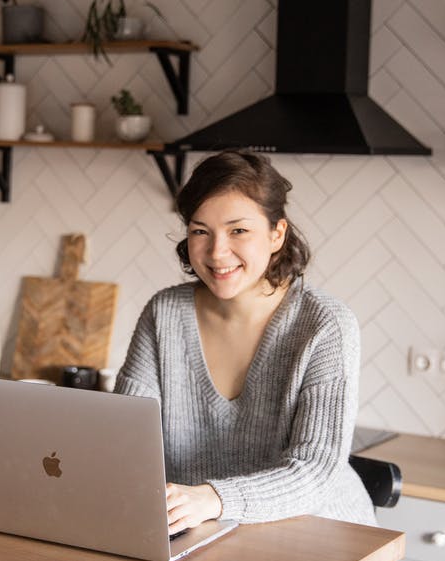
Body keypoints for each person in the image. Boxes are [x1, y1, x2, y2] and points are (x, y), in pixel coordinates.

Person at [114, 150, 375, 532]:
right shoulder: (164, 313)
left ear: (276, 234)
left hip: (318, 534)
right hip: (202, 534)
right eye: (200, 231)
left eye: (238, 230)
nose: (217, 253)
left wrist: (213, 498)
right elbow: (123, 438)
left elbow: (316, 473)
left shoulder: (324, 325)